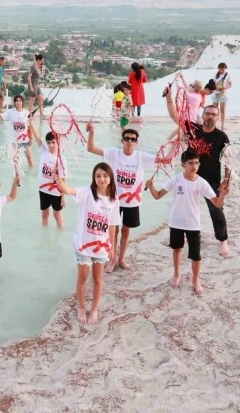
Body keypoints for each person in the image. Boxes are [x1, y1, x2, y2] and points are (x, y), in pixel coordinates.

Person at [86, 123, 171, 272]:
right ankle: (111, 260)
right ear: (122, 141)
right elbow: (91, 149)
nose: (130, 142)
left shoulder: (142, 157)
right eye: (127, 139)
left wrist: (178, 142)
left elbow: (166, 160)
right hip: (114, 200)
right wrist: (92, 132)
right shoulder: (114, 153)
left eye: (133, 139)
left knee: (126, 231)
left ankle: (121, 259)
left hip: (132, 202)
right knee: (113, 231)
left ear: (136, 142)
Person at [146, 150, 228, 296]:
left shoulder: (202, 183)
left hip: (193, 224)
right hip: (176, 222)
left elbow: (216, 203)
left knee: (195, 255)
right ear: (183, 164)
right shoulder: (176, 180)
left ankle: (196, 281)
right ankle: (177, 275)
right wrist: (151, 187)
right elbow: (158, 195)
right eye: (190, 163)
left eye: (197, 163)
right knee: (177, 250)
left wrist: (222, 194)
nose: (194, 166)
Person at [166, 91, 231, 257]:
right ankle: (185, 233)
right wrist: (168, 98)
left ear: (217, 118)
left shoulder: (221, 137)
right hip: (190, 178)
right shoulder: (192, 128)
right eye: (208, 113)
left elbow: (228, 160)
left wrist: (226, 180)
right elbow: (175, 116)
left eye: (214, 115)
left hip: (211, 180)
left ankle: (223, 240)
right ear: (203, 114)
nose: (210, 117)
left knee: (216, 211)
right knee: (185, 208)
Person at [54, 162, 120, 324]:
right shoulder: (86, 192)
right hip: (84, 244)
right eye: (98, 176)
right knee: (82, 278)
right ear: (94, 178)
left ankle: (95, 308)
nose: (102, 179)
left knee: (98, 279)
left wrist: (112, 247)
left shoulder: (114, 200)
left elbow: (112, 226)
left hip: (102, 247)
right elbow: (69, 190)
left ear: (110, 178)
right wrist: (59, 181)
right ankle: (82, 306)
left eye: (105, 176)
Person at [28, 119, 67, 228]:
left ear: (57, 142)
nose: (50, 145)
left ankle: (61, 234)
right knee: (44, 213)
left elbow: (63, 179)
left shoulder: (61, 159)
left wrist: (63, 197)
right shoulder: (43, 151)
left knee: (56, 214)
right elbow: (37, 137)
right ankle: (45, 231)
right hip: (43, 189)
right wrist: (31, 122)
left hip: (56, 191)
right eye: (48, 142)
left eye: (53, 142)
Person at [0, 95, 33, 167]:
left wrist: (31, 138)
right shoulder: (10, 112)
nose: (18, 102)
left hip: (25, 140)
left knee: (29, 157)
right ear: (14, 102)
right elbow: (0, 118)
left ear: (22, 102)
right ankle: (16, 174)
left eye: (20, 100)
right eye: (17, 101)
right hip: (15, 141)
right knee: (16, 159)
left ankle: (31, 173)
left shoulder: (27, 113)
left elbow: (30, 126)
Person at [210, 63, 232, 130]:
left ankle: (222, 125)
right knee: (215, 109)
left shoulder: (228, 75)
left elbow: (230, 85)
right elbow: (213, 83)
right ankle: (214, 124)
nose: (221, 71)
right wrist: (215, 87)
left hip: (223, 93)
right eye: (220, 69)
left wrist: (224, 87)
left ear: (225, 68)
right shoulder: (216, 74)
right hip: (216, 92)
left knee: (222, 110)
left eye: (223, 69)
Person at [27, 54, 45, 118]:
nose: (43, 62)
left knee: (40, 98)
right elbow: (29, 77)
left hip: (37, 85)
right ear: (38, 60)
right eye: (42, 60)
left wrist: (41, 67)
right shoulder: (33, 67)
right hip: (33, 84)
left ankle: (41, 114)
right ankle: (30, 114)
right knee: (33, 100)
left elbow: (40, 75)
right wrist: (31, 86)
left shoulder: (39, 66)